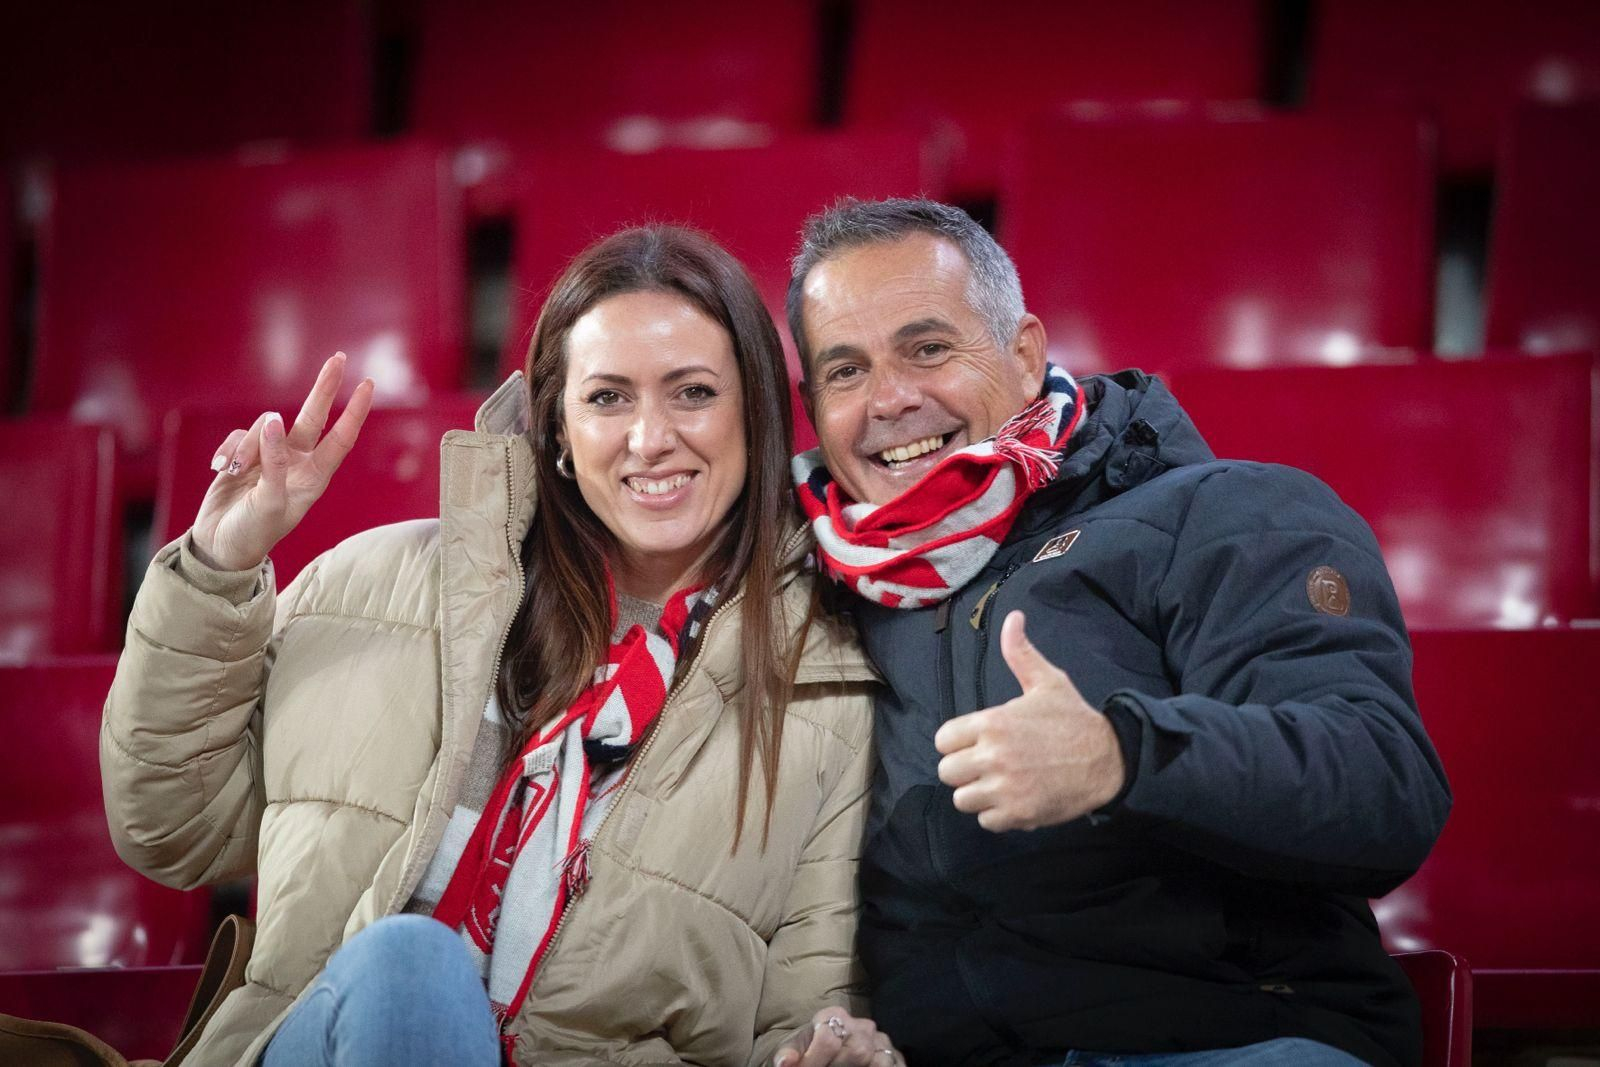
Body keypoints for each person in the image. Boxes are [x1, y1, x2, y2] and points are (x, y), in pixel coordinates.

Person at [100, 226, 903, 1067]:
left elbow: (800, 1014)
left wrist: (828, 1050)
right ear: (555, 425)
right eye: (607, 398)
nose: (651, 437)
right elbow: (170, 830)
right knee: (411, 966)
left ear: (757, 414)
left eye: (693, 392)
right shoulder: (369, 583)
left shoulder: (826, 686)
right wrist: (218, 566)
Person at [785, 198, 1452, 1067]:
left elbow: (1385, 785)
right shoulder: (808, 586)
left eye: (928, 348)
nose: (891, 399)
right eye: (846, 371)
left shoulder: (1224, 511)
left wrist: (1122, 757)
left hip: (1234, 1039)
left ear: (1024, 353)